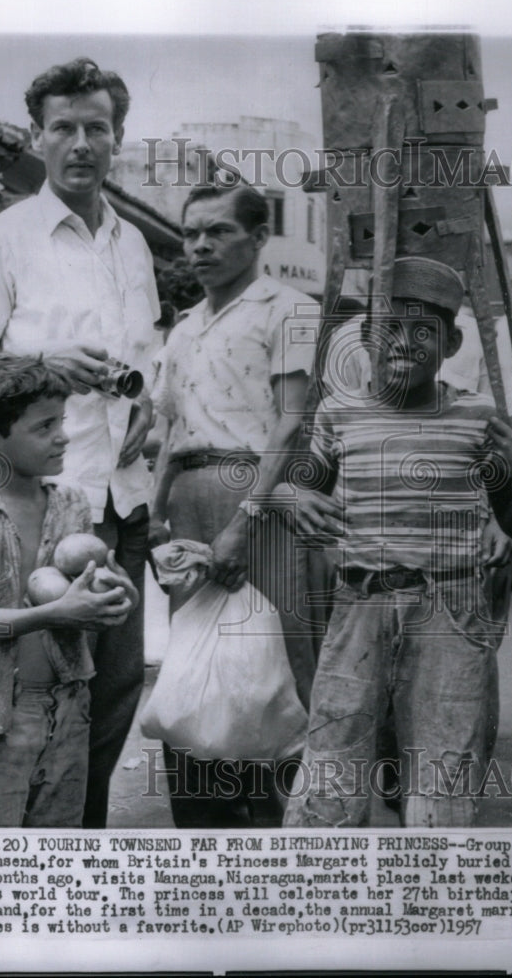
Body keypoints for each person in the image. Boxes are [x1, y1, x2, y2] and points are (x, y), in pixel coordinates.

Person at [0, 58, 160, 828]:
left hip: (122, 496)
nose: (81, 142)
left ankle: (85, 848)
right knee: (32, 692)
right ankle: (28, 860)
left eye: (96, 128)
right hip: (43, 504)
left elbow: (146, 364)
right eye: (63, 128)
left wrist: (152, 411)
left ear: (118, 138)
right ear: (36, 137)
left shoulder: (133, 244)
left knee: (111, 693)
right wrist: (42, 365)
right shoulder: (0, 239)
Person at [283, 256, 512, 828]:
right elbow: (301, 491)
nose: (403, 342)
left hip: (449, 613)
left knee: (442, 771)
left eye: (422, 330)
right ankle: (329, 906)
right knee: (335, 764)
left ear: (451, 342)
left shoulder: (477, 417)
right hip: (358, 607)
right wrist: (291, 497)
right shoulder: (338, 413)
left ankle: (430, 899)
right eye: (389, 330)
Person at [150, 182, 322, 827]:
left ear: (256, 238)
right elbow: (171, 429)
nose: (199, 245)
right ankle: (209, 823)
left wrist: (244, 521)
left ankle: (287, 820)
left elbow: (289, 423)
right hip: (190, 495)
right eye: (191, 232)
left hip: (259, 491)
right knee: (200, 661)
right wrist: (154, 511)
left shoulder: (288, 309)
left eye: (217, 231)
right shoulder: (184, 326)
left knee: (274, 655)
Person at [0, 352, 136, 827]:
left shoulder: (70, 503)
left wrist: (116, 597)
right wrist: (54, 615)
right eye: (44, 427)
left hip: (68, 710)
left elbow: (97, 601)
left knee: (56, 855)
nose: (62, 435)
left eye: (61, 421)